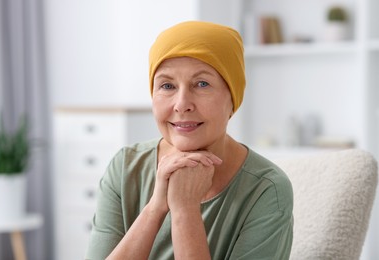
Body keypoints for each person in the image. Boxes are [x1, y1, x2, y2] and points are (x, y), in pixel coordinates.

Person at [85, 20, 293, 260]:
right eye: (167, 85)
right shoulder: (125, 168)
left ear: (233, 98)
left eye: (202, 84)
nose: (182, 104)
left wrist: (185, 209)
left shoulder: (266, 189)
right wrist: (156, 207)